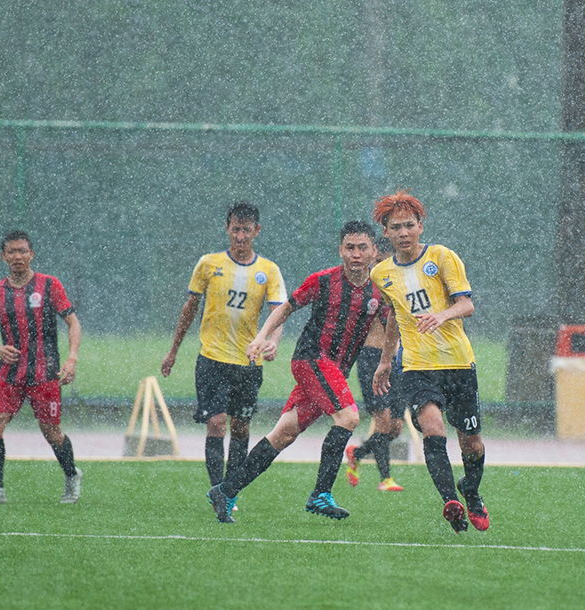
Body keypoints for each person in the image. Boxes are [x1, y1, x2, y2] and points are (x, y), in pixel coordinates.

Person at [207, 221, 388, 523]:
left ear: (373, 252)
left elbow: (391, 326)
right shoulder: (323, 281)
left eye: (362, 248)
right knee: (349, 417)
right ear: (340, 250)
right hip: (310, 360)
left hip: (333, 372)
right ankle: (320, 494)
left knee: (284, 434)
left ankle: (225, 490)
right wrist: (262, 335)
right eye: (350, 247)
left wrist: (387, 361)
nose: (356, 254)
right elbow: (286, 307)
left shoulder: (379, 291)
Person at [369, 189, 489, 533]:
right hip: (418, 365)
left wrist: (441, 315)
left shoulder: (442, 257)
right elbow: (394, 314)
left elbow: (466, 304)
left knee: (472, 442)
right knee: (433, 427)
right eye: (396, 227)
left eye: (409, 225)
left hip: (458, 362)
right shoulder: (382, 273)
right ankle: (450, 502)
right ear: (386, 232)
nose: (403, 232)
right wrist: (386, 359)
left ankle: (471, 491)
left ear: (421, 226)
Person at [161, 202, 286, 511]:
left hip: (248, 363)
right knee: (216, 423)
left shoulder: (268, 270)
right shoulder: (208, 264)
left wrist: (272, 342)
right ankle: (218, 492)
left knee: (240, 427)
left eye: (246, 230)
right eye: (235, 229)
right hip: (212, 360)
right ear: (227, 228)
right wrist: (174, 349)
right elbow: (189, 308)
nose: (240, 236)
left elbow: (279, 312)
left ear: (257, 231)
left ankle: (230, 492)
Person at [0, 230, 82, 505]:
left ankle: (71, 475)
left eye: (23, 251)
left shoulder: (49, 285)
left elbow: (73, 323)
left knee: (51, 431)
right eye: (12, 251)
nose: (18, 256)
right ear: (3, 256)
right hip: (9, 373)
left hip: (44, 372)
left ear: (31, 254)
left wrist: (71, 359)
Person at [344, 238, 405, 492]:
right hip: (371, 358)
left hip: (398, 360)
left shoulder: (400, 286)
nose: (381, 267)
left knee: (395, 428)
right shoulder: (365, 290)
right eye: (378, 261)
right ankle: (385, 479)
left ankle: (357, 453)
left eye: (386, 262)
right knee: (383, 420)